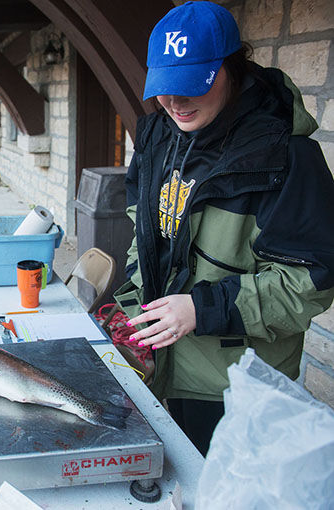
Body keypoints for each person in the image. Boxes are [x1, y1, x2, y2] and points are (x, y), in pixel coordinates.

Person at [115, 1, 334, 456]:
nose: (175, 103)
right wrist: (132, 316)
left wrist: (202, 308)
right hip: (163, 366)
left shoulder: (288, 157)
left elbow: (308, 284)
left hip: (236, 384)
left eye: (192, 86)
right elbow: (145, 237)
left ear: (231, 68)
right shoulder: (157, 136)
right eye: (165, 88)